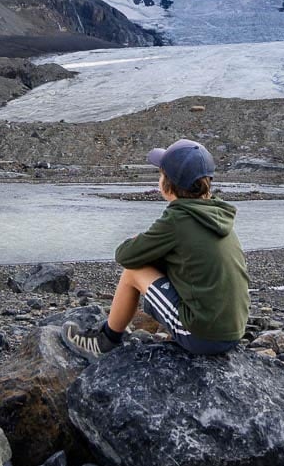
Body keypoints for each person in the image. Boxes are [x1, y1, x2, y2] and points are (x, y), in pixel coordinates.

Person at [62, 138, 250, 362]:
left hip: (203, 337)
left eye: (161, 174)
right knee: (161, 262)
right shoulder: (217, 214)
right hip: (233, 331)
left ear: (168, 184)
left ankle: (105, 341)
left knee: (134, 271)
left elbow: (125, 256)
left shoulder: (178, 220)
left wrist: (138, 240)